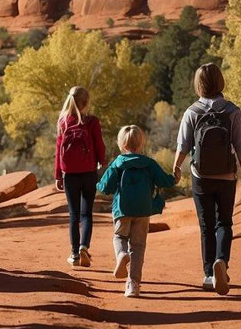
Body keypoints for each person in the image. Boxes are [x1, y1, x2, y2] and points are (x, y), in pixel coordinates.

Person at [173, 63, 241, 295]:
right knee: (224, 223)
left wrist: (176, 168)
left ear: (199, 84)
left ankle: (209, 274)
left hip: (201, 176)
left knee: (206, 226)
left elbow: (183, 146)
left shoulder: (192, 112)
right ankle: (222, 262)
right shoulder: (232, 111)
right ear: (220, 82)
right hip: (227, 177)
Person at [97, 125, 176, 297]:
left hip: (122, 210)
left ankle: (121, 254)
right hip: (143, 210)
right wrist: (174, 177)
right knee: (138, 246)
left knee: (119, 237)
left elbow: (105, 187)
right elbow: (165, 181)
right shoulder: (149, 164)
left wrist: (96, 181)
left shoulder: (118, 163)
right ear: (140, 144)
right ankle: (133, 285)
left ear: (121, 144)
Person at [55, 86, 106, 268]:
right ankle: (84, 246)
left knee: (73, 214)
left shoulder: (63, 122)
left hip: (69, 174)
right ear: (86, 103)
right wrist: (102, 162)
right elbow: (99, 144)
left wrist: (58, 176)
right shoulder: (92, 121)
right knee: (86, 214)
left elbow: (58, 150)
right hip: (89, 172)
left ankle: (74, 254)